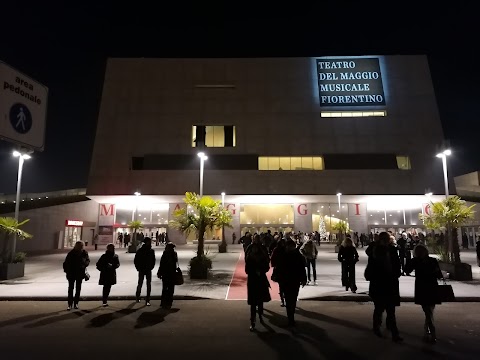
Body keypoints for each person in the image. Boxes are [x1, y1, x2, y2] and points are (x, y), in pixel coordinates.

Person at [365, 231, 403, 342]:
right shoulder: (376, 250)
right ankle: (381, 328)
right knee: (382, 308)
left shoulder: (390, 250)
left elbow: (397, 265)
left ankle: (391, 331)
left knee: (386, 309)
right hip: (382, 283)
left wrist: (396, 273)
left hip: (386, 283)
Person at [404, 244, 443, 343]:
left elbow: (406, 270)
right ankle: (429, 331)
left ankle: (430, 331)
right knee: (429, 311)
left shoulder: (416, 261)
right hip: (432, 286)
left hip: (422, 287)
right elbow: (439, 274)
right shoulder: (432, 260)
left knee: (427, 311)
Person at [277, 239, 307, 328]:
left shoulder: (285, 255)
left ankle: (290, 318)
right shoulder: (297, 255)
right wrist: (303, 279)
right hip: (294, 280)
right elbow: (302, 268)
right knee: (292, 299)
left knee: (289, 299)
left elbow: (280, 268)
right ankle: (291, 318)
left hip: (287, 280)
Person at [245, 235, 271, 331]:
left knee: (260, 300)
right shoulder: (249, 248)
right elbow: (246, 264)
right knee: (253, 302)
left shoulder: (263, 249)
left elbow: (267, 263)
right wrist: (252, 271)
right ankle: (253, 321)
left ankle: (260, 315)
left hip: (261, 278)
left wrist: (261, 270)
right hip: (252, 278)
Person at [63, 241, 90, 310]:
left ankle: (75, 303)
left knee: (77, 289)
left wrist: (84, 264)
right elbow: (66, 263)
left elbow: (88, 260)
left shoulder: (84, 252)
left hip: (79, 272)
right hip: (72, 273)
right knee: (71, 289)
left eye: (81, 246)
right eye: (79, 246)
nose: (81, 247)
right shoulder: (71, 253)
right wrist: (67, 271)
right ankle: (70, 304)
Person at [134, 237, 156, 306]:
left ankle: (148, 299)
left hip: (148, 269)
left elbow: (153, 260)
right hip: (142, 269)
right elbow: (136, 260)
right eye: (148, 241)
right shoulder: (140, 250)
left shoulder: (151, 250)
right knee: (140, 283)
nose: (149, 243)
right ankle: (138, 297)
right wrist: (138, 268)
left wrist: (151, 267)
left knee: (148, 284)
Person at [158, 242, 178, 309]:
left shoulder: (165, 253)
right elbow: (176, 263)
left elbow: (162, 264)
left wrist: (160, 272)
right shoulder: (174, 254)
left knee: (165, 289)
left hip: (165, 273)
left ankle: (163, 303)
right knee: (171, 289)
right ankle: (169, 303)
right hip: (171, 273)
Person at [270, 238, 287, 307]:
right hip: (281, 269)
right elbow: (273, 258)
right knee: (282, 285)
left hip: (282, 269)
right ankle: (283, 299)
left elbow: (272, 258)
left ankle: (283, 298)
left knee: (283, 285)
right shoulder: (278, 250)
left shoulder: (283, 249)